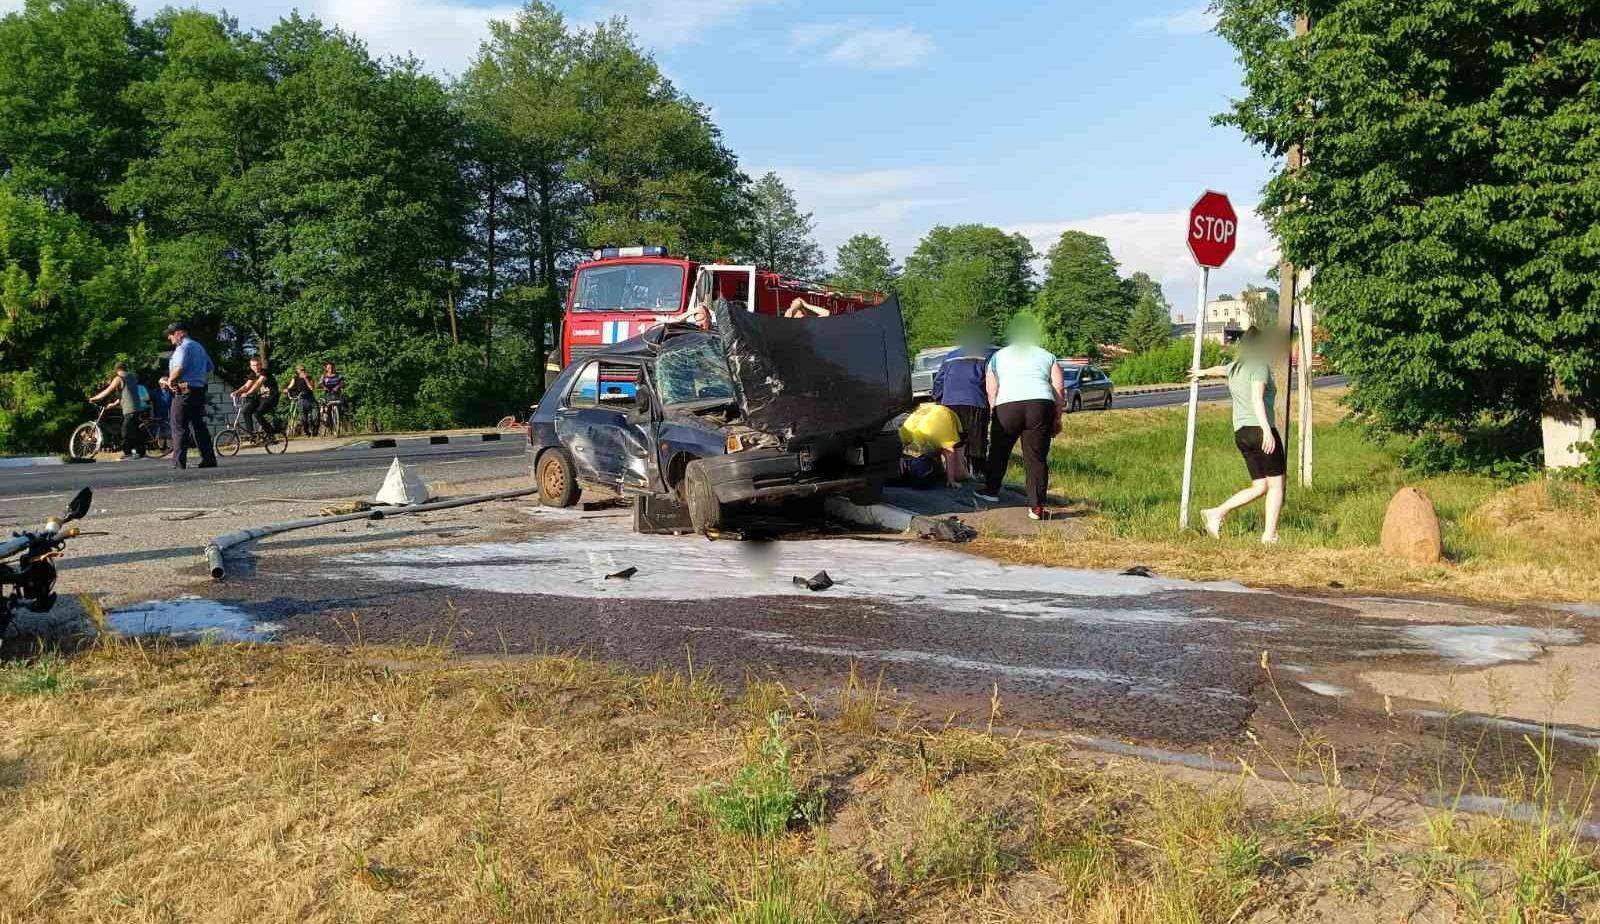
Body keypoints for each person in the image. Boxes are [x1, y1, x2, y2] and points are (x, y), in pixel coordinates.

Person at [1193, 326, 1285, 543]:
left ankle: (1216, 513)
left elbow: (1219, 369)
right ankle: (1269, 535)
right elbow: (1257, 399)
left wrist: (1202, 372)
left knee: (1260, 486)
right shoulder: (1259, 366)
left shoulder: (1236, 367)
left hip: (1241, 433)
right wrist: (1267, 432)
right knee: (1276, 485)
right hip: (1260, 430)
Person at [975, 313, 1064, 521]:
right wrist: (1057, 418)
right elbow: (1059, 388)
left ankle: (991, 490)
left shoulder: (997, 357)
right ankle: (1037, 506)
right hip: (1040, 405)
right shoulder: (1047, 356)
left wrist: (994, 413)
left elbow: (991, 390)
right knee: (1035, 457)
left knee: (999, 450)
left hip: (1007, 405)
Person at [933, 325, 993, 477]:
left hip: (949, 403)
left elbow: (939, 380)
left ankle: (955, 471)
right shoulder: (985, 357)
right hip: (975, 401)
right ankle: (978, 473)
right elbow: (990, 381)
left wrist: (939, 398)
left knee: (954, 438)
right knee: (977, 438)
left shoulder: (950, 357)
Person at [159, 321, 218, 469]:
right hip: (198, 390)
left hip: (183, 391)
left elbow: (179, 368)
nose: (169, 338)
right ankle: (209, 459)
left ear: (180, 333)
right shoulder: (199, 347)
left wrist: (170, 381)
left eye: (171, 334)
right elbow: (210, 368)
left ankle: (179, 462)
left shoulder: (183, 348)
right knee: (198, 426)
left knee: (178, 425)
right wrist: (198, 378)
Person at [88, 362, 145, 459]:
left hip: (130, 409)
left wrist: (94, 398)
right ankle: (140, 452)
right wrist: (113, 405)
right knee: (134, 431)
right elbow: (127, 394)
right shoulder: (132, 377)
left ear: (116, 370)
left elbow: (108, 391)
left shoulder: (119, 378)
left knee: (125, 431)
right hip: (137, 407)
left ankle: (128, 453)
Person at [230, 357, 280, 440]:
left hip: (271, 398)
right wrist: (237, 392)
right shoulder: (253, 374)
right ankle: (251, 434)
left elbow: (258, 383)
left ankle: (271, 433)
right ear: (251, 366)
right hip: (261, 398)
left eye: (257, 365)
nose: (256, 367)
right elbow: (246, 385)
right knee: (246, 411)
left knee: (257, 414)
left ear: (260, 365)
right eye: (253, 365)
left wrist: (248, 393)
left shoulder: (265, 373)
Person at [287, 365, 318, 435]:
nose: (302, 371)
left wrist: (305, 379)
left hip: (311, 399)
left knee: (315, 416)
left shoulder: (310, 378)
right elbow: (290, 386)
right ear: (297, 371)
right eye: (301, 370)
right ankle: (306, 431)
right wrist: (286, 389)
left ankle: (315, 431)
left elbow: (312, 388)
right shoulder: (295, 378)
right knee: (303, 419)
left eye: (303, 370)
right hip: (301, 400)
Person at [319, 362, 348, 430]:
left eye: (332, 368)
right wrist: (323, 387)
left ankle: (342, 420)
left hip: (337, 394)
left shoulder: (339, 375)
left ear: (334, 368)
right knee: (325, 408)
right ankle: (326, 421)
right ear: (326, 369)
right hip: (328, 394)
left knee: (344, 405)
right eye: (329, 368)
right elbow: (320, 384)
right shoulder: (324, 376)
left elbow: (343, 383)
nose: (330, 369)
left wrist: (338, 386)